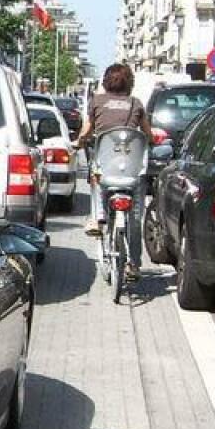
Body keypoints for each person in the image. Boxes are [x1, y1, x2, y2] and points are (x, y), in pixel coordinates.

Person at [76, 62, 151, 277]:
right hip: (132, 173)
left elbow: (86, 131)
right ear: (130, 83)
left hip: (105, 173)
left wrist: (78, 142)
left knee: (95, 177)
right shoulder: (136, 104)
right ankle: (134, 264)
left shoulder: (97, 102)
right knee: (135, 219)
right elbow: (148, 134)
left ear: (106, 81)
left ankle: (97, 218)